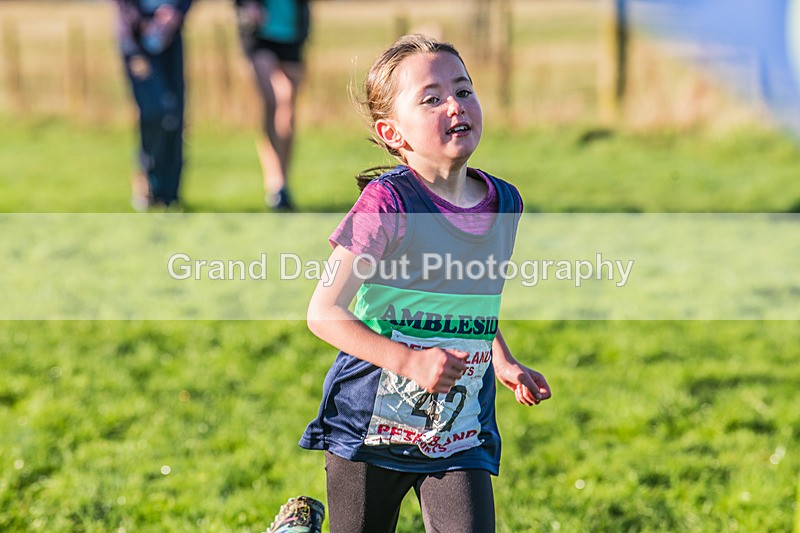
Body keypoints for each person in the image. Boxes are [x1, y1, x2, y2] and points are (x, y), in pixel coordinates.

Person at [300, 34, 552, 532]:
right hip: (368, 428)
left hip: (459, 430)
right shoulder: (387, 205)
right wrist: (409, 361)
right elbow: (323, 312)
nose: (455, 105)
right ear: (392, 132)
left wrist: (502, 358)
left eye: (464, 89)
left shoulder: (504, 203)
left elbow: (471, 298)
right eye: (432, 98)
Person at [113, 0, 193, 210]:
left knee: (174, 115)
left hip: (171, 36)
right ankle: (146, 181)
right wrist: (143, 21)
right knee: (154, 110)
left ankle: (169, 193)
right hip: (136, 38)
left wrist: (176, 13)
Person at [233, 0, 311, 211]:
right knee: (272, 100)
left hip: (291, 30)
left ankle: (283, 183)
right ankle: (274, 182)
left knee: (287, 109)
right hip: (259, 32)